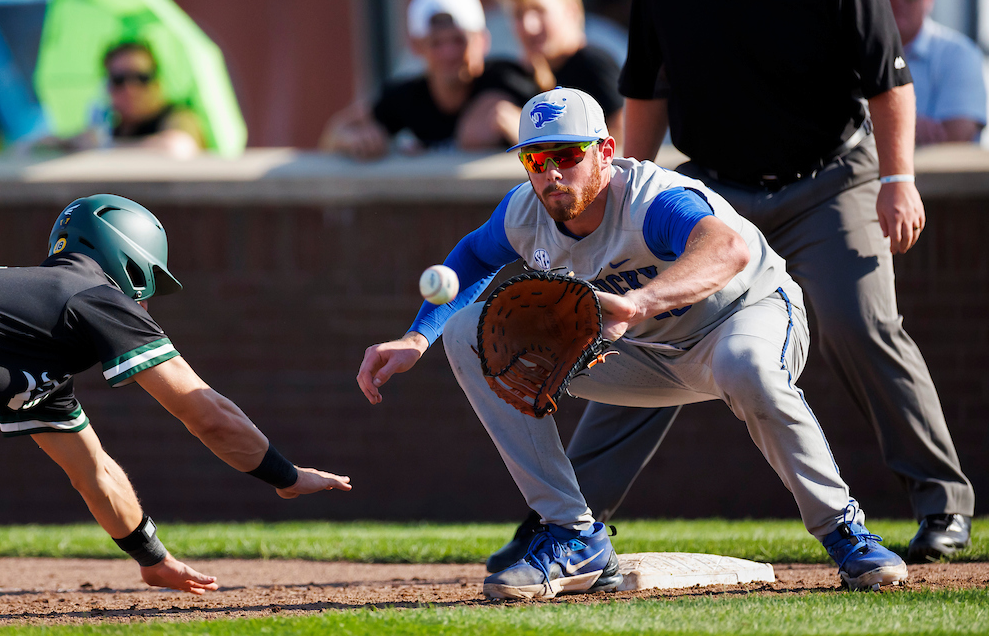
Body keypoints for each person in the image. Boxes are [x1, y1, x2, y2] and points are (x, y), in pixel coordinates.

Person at [491, 0, 973, 570]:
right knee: (630, 324)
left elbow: (889, 82)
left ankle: (941, 504)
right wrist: (623, 195)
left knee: (857, 318)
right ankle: (569, 522)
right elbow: (645, 93)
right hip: (712, 189)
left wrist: (898, 181)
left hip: (828, 181)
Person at [356, 89, 908, 598]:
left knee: (747, 367)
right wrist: (415, 338)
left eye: (566, 155)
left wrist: (642, 302)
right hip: (640, 351)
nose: (550, 174)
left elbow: (728, 248)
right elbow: (474, 257)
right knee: (466, 333)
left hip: (743, 318)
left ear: (605, 151)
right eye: (534, 160)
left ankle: (846, 533)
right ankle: (574, 537)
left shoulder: (650, 201)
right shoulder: (525, 212)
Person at [0, 194, 350, 590]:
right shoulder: (93, 295)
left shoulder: (38, 335)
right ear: (132, 263)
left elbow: (94, 472)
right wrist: (286, 475)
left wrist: (151, 558)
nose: (147, 302)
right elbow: (205, 412)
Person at [320, 0, 536, 158]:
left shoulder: (507, 79)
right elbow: (333, 134)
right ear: (417, 47)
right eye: (436, 44)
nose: (449, 54)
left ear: (482, 41)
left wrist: (517, 128)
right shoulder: (406, 96)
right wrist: (354, 140)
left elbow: (559, 136)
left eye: (459, 41)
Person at [865, 0, 987, 146]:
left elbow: (954, 140)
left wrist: (868, 119)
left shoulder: (960, 55)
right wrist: (910, 124)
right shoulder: (843, 52)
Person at [492, 0, 625, 135]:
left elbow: (622, 139)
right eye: (518, 14)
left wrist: (530, 134)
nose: (528, 26)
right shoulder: (529, 74)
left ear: (571, 10)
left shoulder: (592, 64)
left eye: (539, 10)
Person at [102, 42, 207, 157]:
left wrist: (103, 147)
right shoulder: (111, 127)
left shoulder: (178, 116)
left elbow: (181, 146)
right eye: (119, 80)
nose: (130, 89)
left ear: (157, 84)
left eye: (142, 78)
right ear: (107, 87)